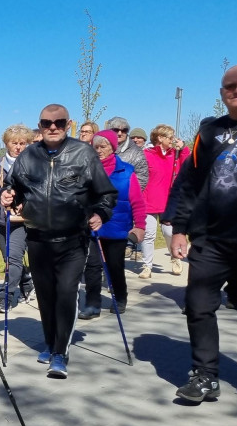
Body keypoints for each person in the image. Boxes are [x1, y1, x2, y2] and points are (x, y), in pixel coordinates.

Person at [169, 64, 237, 408]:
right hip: (212, 238)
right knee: (197, 306)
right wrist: (179, 228)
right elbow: (191, 182)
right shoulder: (209, 130)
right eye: (229, 86)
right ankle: (205, 374)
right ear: (221, 93)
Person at [1, 105, 117, 378]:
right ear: (39, 125)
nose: (52, 127)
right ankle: (51, 342)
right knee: (46, 295)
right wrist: (7, 195)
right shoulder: (28, 155)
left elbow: (106, 193)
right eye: (46, 122)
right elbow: (13, 186)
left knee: (66, 293)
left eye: (59, 122)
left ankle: (60, 352)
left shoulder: (83, 153)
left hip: (73, 239)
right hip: (38, 238)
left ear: (68, 124)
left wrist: (100, 214)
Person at [79, 130, 146, 319]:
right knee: (92, 267)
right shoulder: (86, 170)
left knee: (115, 266)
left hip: (117, 227)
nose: (99, 151)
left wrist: (139, 225)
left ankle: (120, 296)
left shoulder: (126, 171)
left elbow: (138, 202)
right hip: (92, 226)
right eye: (96, 147)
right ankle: (92, 304)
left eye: (103, 146)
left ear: (112, 148)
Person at [0, 124, 34, 313]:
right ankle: (26, 281)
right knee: (8, 258)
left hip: (21, 221)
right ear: (6, 143)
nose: (17, 147)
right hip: (0, 220)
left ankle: (6, 297)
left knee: (13, 258)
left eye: (22, 143)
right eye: (13, 142)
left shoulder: (33, 165)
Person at [141, 124, 190, 279]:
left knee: (170, 232)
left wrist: (183, 149)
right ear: (160, 138)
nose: (172, 140)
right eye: (170, 137)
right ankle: (147, 266)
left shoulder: (174, 155)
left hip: (167, 201)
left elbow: (188, 165)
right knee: (148, 235)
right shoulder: (146, 154)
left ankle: (175, 257)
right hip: (148, 200)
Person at [104, 116, 149, 189]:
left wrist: (126, 195)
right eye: (116, 130)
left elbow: (141, 179)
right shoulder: (100, 147)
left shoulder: (137, 153)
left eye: (124, 130)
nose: (119, 133)